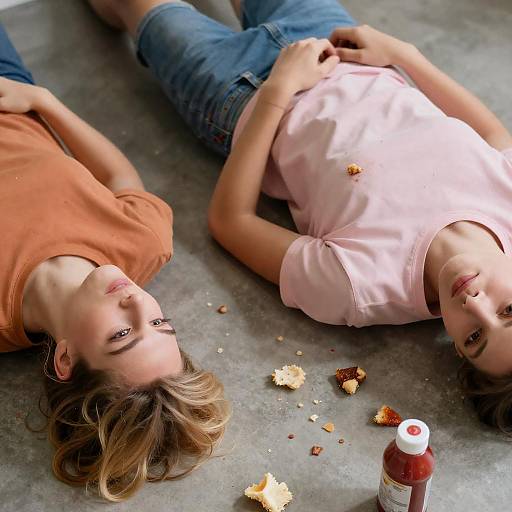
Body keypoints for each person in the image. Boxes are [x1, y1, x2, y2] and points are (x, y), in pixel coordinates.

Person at [88, 0, 512, 433]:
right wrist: (403, 55)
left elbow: (230, 220)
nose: (475, 305)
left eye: (474, 337)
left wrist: (277, 90)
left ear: (458, 349)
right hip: (335, 40)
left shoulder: (358, 286)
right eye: (509, 310)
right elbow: (493, 135)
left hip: (238, 93)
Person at [0, 23, 229, 501]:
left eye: (122, 334)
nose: (135, 303)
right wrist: (43, 102)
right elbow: (118, 176)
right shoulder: (141, 242)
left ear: (65, 357)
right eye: (160, 321)